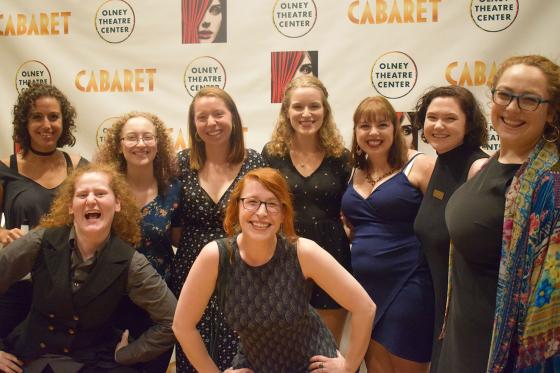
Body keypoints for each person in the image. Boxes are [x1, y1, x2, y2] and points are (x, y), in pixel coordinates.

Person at [173, 167, 375, 372]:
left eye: (272, 204)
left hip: (311, 364)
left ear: (283, 213)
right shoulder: (216, 256)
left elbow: (365, 308)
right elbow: (182, 326)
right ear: (237, 207)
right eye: (252, 202)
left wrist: (349, 367)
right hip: (255, 365)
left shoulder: (302, 252)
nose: (261, 213)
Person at [439, 55, 560, 372]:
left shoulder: (549, 186)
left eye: (530, 99)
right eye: (504, 94)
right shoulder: (487, 164)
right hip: (461, 340)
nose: (512, 108)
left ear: (551, 112)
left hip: (503, 354)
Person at [0, 163, 176, 373]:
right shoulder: (39, 242)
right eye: (82, 195)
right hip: (28, 357)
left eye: (100, 193)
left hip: (91, 363)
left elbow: (172, 321)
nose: (91, 200)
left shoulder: (132, 263)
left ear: (117, 203)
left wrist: (128, 354)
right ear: (70, 206)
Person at [170, 87, 267, 372]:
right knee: (192, 346)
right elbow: (174, 226)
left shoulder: (254, 163)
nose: (211, 123)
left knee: (240, 352)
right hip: (190, 269)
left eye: (218, 114)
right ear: (194, 125)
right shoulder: (181, 164)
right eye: (202, 117)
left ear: (233, 118)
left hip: (242, 271)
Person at [341, 96, 435, 372]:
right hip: (365, 288)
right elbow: (357, 224)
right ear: (355, 131)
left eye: (382, 125)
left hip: (410, 282)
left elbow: (441, 225)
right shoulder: (353, 172)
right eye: (364, 126)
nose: (373, 133)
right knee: (376, 367)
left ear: (395, 129)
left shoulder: (421, 165)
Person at [262, 76, 351, 344]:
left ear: (325, 110)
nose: (306, 114)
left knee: (327, 351)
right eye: (298, 107)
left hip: (332, 255)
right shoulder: (271, 155)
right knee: (283, 350)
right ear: (286, 112)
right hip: (282, 258)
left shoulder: (342, 157)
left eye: (314, 106)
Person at [0, 82, 88, 339]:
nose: (46, 125)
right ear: (24, 124)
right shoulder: (7, 168)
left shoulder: (80, 167)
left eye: (53, 117)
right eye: (37, 117)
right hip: (18, 285)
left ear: (64, 121)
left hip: (71, 286)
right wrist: (2, 233)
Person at [96, 112, 181, 373]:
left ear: (158, 143)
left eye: (147, 137)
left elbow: (178, 238)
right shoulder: (104, 188)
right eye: (131, 138)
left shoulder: (174, 190)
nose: (140, 144)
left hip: (158, 305)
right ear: (119, 145)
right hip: (109, 303)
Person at [412, 85, 489, 372]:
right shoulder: (440, 164)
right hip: (441, 307)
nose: (439, 126)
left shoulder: (478, 169)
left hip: (468, 312)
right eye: (432, 118)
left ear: (469, 123)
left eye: (450, 118)